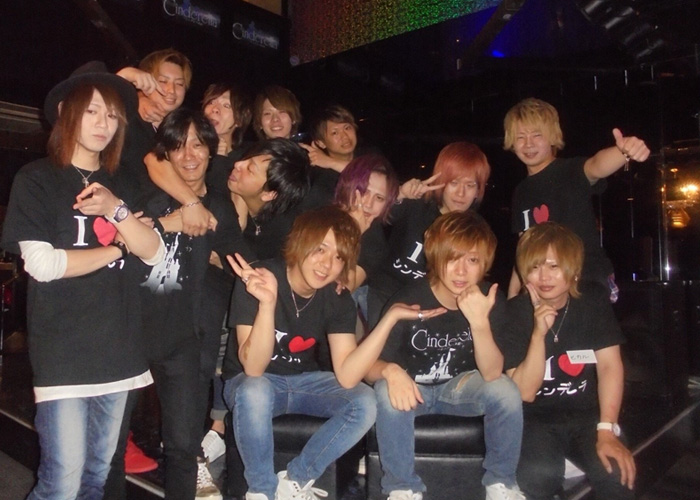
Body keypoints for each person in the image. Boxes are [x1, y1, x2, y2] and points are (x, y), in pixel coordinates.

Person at [1, 64, 164, 499]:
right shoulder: (37, 178)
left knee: (97, 476)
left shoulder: (123, 182)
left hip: (120, 348)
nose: (103, 123)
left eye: (111, 115)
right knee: (62, 480)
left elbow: (154, 251)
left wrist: (115, 209)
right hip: (64, 350)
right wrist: (117, 249)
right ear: (65, 112)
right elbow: (43, 265)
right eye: (92, 111)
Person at [221, 207, 444, 500]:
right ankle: (261, 492)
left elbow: (348, 376)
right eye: (320, 249)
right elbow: (252, 369)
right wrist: (267, 304)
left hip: (300, 382)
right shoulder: (261, 278)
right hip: (250, 384)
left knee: (364, 401)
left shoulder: (337, 298)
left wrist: (389, 319)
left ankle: (295, 480)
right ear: (299, 242)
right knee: (255, 389)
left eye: (338, 257)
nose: (327, 264)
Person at [366, 211, 524, 500]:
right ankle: (401, 488)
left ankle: (501, 484)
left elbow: (492, 374)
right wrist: (390, 370)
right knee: (386, 390)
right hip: (411, 390)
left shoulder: (489, 300)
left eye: (472, 260)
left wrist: (479, 322)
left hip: (459, 388)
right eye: (452, 258)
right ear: (436, 257)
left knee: (505, 391)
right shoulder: (408, 298)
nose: (461, 271)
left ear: (484, 264)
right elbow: (368, 368)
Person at [503, 222, 635, 500]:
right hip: (534, 418)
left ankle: (573, 458)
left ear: (573, 269)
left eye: (554, 266)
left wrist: (607, 429)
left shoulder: (592, 302)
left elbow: (610, 366)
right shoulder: (513, 312)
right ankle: (556, 460)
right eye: (535, 267)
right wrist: (538, 335)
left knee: (617, 475)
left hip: (586, 415)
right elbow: (525, 393)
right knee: (538, 478)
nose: (544, 277)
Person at [504, 97, 650, 301]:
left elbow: (596, 166)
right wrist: (512, 298)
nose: (528, 144)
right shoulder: (521, 191)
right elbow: (524, 249)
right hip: (546, 286)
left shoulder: (570, 171)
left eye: (537, 135)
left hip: (586, 279)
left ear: (553, 137)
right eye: (520, 137)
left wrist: (623, 151)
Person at [367, 141, 491, 328]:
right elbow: (380, 217)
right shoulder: (418, 204)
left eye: (470, 185)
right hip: (387, 292)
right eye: (454, 183)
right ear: (441, 183)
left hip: (430, 304)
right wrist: (400, 194)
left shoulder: (474, 229)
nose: (461, 193)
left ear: (478, 190)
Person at [332, 154, 398, 320]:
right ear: (348, 187)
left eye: (379, 198)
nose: (368, 204)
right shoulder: (318, 210)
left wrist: (354, 234)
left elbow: (344, 289)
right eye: (363, 191)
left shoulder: (375, 241)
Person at [226, 138, 310, 260]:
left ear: (269, 194)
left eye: (250, 169)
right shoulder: (219, 187)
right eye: (246, 159)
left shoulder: (288, 233)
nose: (238, 164)